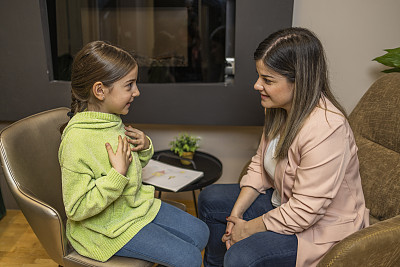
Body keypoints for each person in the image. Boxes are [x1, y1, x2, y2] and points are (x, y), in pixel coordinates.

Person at [198, 27, 369, 267]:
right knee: (210, 199)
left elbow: (304, 213)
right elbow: (259, 163)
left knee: (242, 255)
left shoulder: (328, 128)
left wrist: (246, 230)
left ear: (300, 81)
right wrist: (235, 216)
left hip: (319, 228)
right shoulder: (277, 109)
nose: (257, 85)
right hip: (283, 203)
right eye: (259, 76)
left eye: (267, 80)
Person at [58, 41, 209, 267]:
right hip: (104, 230)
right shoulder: (77, 140)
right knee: (188, 258)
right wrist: (116, 175)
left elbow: (131, 168)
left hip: (133, 208)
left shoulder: (112, 120)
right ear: (100, 91)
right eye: (129, 85)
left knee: (201, 232)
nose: (137, 92)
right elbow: (76, 208)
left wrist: (144, 147)